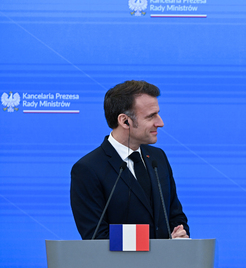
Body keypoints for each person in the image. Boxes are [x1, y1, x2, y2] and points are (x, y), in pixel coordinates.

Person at [71, 80, 190, 239]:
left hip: (166, 263)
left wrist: (180, 235)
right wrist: (156, 243)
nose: (160, 123)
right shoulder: (87, 169)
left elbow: (176, 216)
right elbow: (97, 237)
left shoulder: (158, 158)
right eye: (151, 116)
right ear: (124, 121)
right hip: (119, 264)